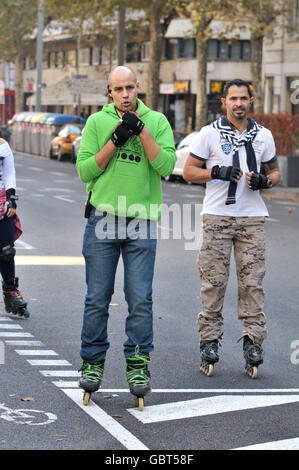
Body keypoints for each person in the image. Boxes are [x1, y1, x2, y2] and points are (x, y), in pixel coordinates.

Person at [76, 65, 176, 406]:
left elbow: (165, 167)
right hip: (102, 218)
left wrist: (142, 131)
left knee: (140, 300)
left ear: (138, 87)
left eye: (130, 87)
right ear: (109, 91)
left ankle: (138, 363)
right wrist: (116, 138)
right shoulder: (96, 122)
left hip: (141, 222)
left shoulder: (158, 121)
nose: (125, 94)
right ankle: (92, 361)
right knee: (97, 299)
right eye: (118, 89)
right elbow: (85, 170)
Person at [183, 79, 280, 378]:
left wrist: (266, 181)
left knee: (252, 284)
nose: (238, 103)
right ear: (224, 101)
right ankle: (209, 341)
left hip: (251, 218)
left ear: (251, 101)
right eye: (233, 98)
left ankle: (253, 342)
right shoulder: (209, 134)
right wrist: (216, 172)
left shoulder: (263, 135)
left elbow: (275, 172)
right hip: (217, 218)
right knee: (214, 282)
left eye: (244, 98)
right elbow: (188, 172)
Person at [0, 138, 29, 318]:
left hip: (2, 201)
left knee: (6, 251)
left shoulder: (2, 145)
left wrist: (11, 199)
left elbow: (10, 173)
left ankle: (10, 292)